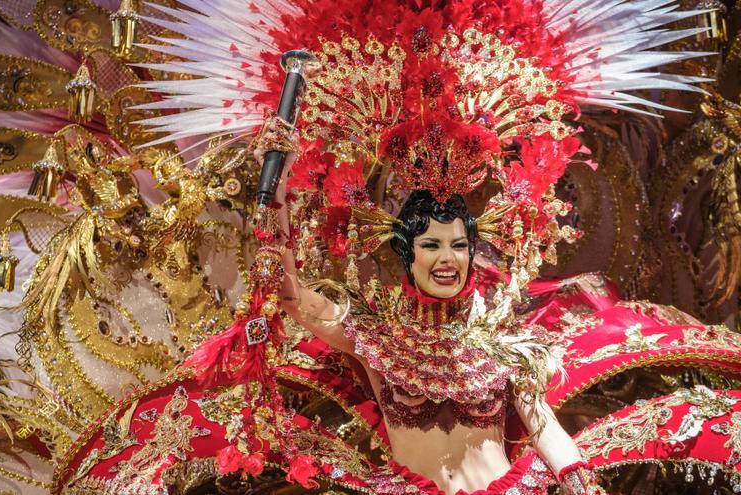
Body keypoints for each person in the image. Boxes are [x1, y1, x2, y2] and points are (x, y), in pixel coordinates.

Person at [252, 117, 604, 495]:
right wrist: (277, 184)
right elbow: (288, 295)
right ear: (407, 253)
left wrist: (580, 484)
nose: (448, 259)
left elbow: (544, 427)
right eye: (432, 246)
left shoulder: (503, 342)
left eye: (459, 245)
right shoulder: (377, 338)